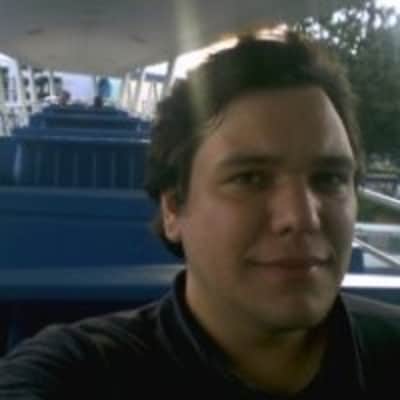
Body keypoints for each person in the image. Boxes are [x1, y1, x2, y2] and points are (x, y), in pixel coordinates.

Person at [1, 29, 400, 399]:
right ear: (174, 207)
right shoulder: (81, 373)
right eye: (251, 178)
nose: (302, 217)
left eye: (329, 178)